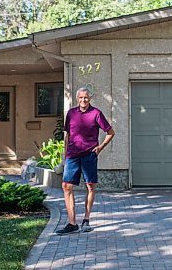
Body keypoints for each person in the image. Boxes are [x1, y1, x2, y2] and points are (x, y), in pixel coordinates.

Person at [55, 87, 115, 235]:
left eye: (86, 97)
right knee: (66, 186)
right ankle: (72, 223)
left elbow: (110, 132)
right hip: (72, 155)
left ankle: (86, 220)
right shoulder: (71, 113)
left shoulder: (96, 114)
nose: (83, 100)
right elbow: (68, 135)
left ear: (90, 98)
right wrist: (65, 152)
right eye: (81, 97)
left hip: (89, 154)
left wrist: (100, 147)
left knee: (90, 186)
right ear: (77, 98)